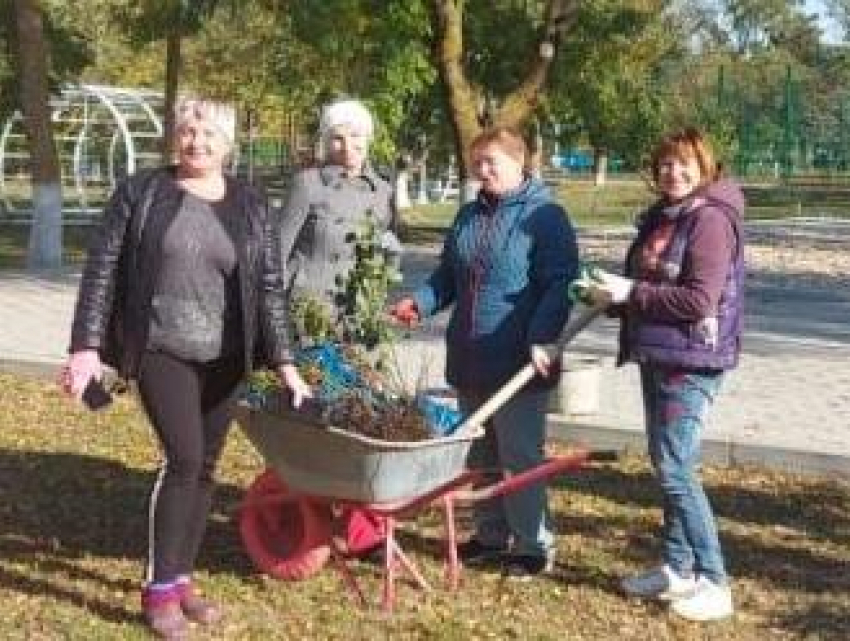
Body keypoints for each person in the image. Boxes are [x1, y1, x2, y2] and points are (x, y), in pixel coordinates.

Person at [60, 97, 311, 639]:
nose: (196, 143)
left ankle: (180, 580)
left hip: (227, 356)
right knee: (184, 459)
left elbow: (268, 287)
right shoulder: (141, 193)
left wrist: (286, 361)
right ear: (175, 138)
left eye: (208, 134)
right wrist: (85, 346)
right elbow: (102, 268)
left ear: (229, 144)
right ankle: (156, 591)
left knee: (204, 468)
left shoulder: (250, 203)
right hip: (159, 347)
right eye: (188, 132)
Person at [391, 126, 578, 578]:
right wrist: (422, 301)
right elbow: (448, 277)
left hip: (520, 358)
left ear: (520, 163)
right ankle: (491, 536)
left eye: (492, 162)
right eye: (477, 164)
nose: (483, 171)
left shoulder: (545, 216)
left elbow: (560, 285)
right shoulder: (468, 216)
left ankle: (533, 545)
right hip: (470, 355)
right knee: (479, 455)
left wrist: (541, 337)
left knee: (519, 454)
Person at [581, 127, 744, 621]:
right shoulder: (663, 218)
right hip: (658, 353)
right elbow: (648, 285)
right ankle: (678, 568)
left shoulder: (710, 220)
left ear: (705, 167)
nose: (673, 172)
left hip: (691, 360)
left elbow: (699, 300)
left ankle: (715, 580)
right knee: (667, 465)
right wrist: (608, 296)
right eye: (666, 165)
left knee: (676, 470)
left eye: (684, 163)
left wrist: (630, 293)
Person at [278, 98, 401, 331]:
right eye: (337, 138)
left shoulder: (383, 192)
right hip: (307, 312)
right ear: (326, 141)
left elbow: (387, 252)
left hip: (357, 314)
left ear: (368, 138)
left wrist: (380, 290)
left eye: (356, 135)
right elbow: (276, 255)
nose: (347, 146)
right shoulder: (307, 184)